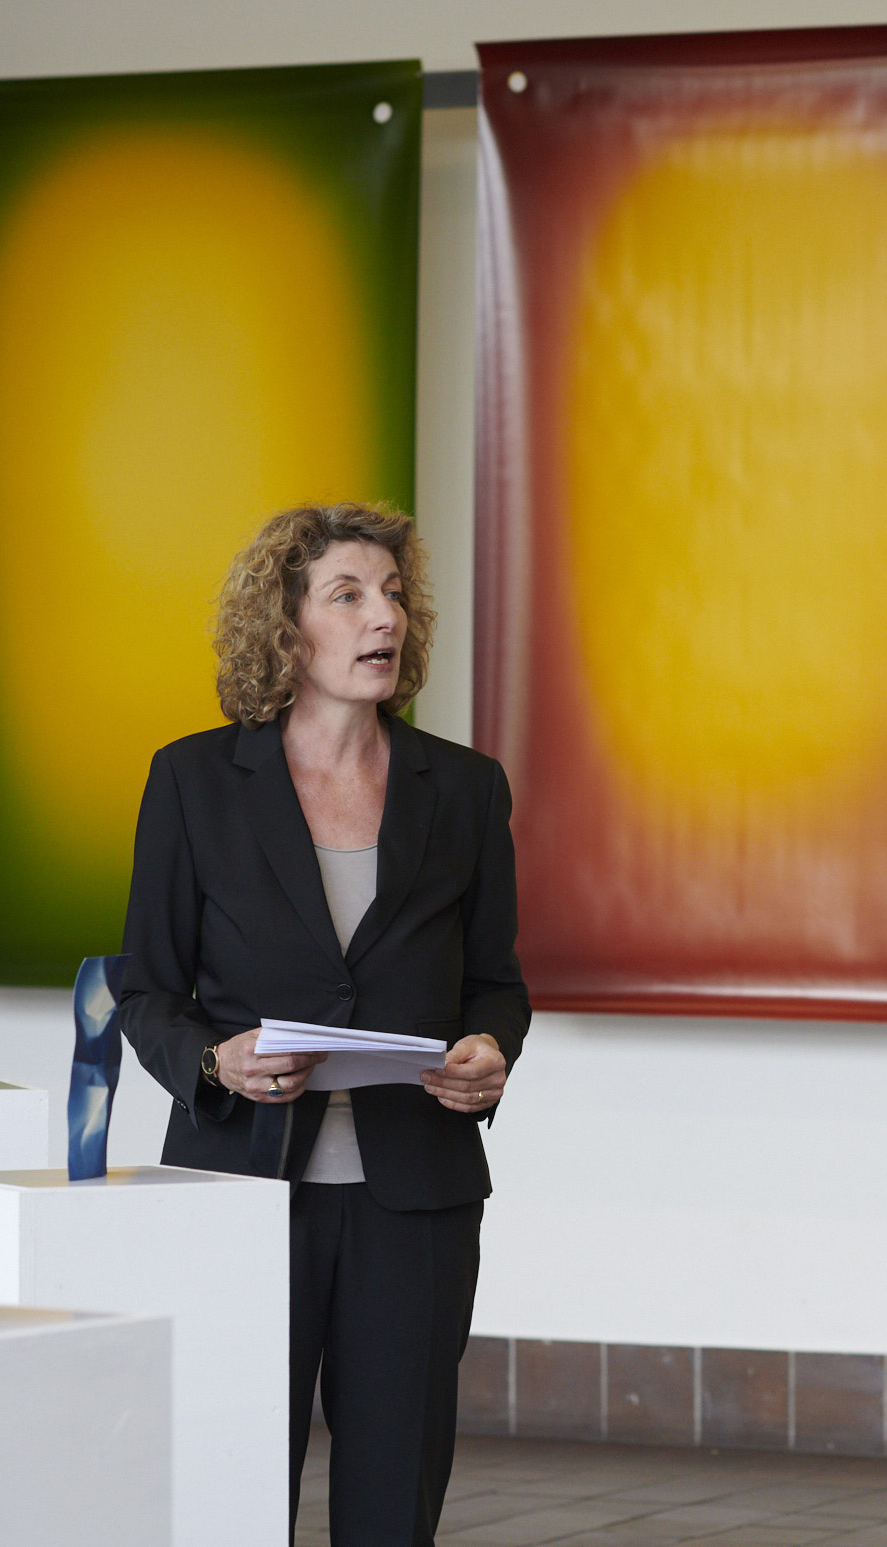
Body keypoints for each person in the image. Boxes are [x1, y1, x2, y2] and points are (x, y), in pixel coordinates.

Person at [118, 502, 529, 1547]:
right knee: (234, 1489)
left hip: (416, 1198)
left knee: (394, 1497)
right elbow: (147, 990)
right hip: (242, 1190)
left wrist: (491, 1049)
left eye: (392, 594)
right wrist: (216, 1060)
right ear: (283, 625)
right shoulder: (193, 782)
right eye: (347, 595)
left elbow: (495, 982)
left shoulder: (466, 790)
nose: (382, 616)